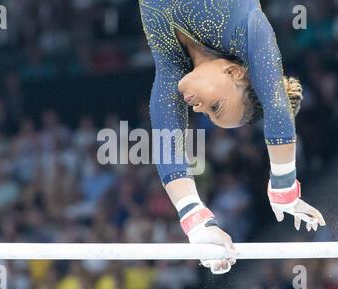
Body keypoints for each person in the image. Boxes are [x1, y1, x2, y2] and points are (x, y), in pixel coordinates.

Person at [139, 0, 326, 274]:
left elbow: (168, 144)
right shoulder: (245, 26)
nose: (199, 109)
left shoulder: (171, 63)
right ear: (234, 72)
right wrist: (283, 187)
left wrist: (197, 222)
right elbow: (275, 102)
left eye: (208, 113)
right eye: (216, 106)